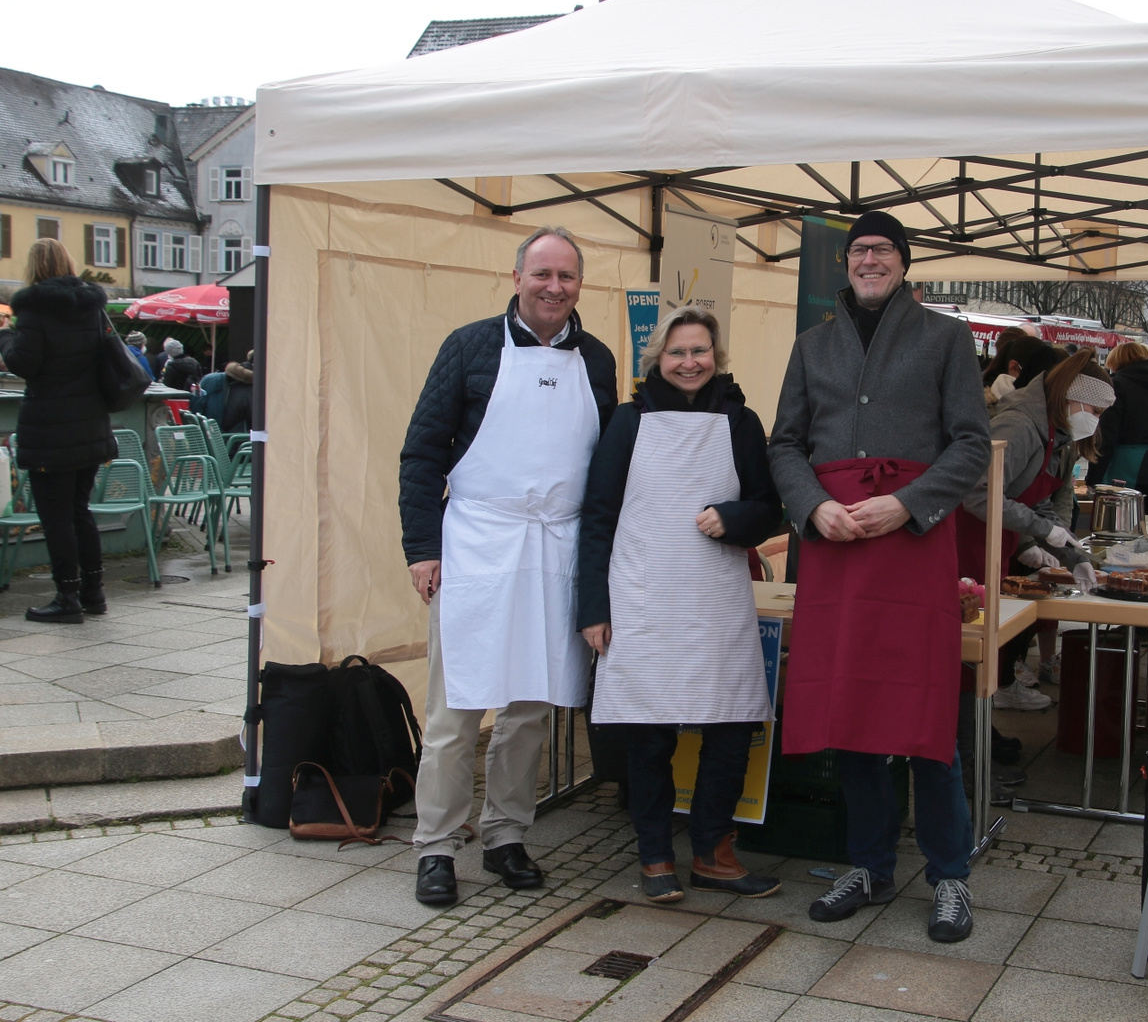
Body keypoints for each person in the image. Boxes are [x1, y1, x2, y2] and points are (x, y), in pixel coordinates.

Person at [767, 210, 989, 944]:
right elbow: (785, 447)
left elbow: (969, 446)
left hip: (913, 543)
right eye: (860, 250)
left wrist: (908, 504)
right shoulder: (811, 346)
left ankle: (949, 873)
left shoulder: (945, 338)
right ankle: (867, 864)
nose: (870, 261)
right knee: (851, 713)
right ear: (846, 263)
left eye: (882, 251)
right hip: (836, 544)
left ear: (902, 262)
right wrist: (812, 507)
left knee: (926, 716)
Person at [399, 226, 618, 908]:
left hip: (556, 548)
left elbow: (609, 466)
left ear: (580, 285)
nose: (554, 287)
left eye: (567, 277)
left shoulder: (600, 359)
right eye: (542, 274)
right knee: (455, 708)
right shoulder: (467, 347)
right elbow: (422, 454)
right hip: (477, 543)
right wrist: (421, 548)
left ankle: (505, 833)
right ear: (517, 276)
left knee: (529, 707)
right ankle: (435, 845)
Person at [578, 307, 783, 904]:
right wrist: (593, 607)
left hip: (716, 598)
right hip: (642, 597)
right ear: (657, 361)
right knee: (648, 734)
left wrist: (735, 517)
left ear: (715, 358)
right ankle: (655, 855)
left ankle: (716, 853)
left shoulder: (741, 422)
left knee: (730, 726)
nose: (689, 362)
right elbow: (597, 518)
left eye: (699, 351)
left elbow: (771, 506)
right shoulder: (627, 422)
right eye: (677, 352)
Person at [956, 350, 1110, 713]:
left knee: (988, 646)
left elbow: (1033, 495)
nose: (1096, 422)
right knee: (969, 646)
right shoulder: (1022, 425)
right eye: (1096, 412)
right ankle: (968, 738)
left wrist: (1073, 556)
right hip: (967, 542)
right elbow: (978, 494)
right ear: (1071, 397)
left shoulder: (1050, 430)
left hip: (996, 540)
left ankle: (979, 730)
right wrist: (1044, 531)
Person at [0, 239, 117, 623]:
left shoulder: (33, 308)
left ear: (34, 267)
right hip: (91, 423)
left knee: (56, 516)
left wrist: (3, 335)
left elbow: (24, 363)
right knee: (80, 510)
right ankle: (93, 592)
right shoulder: (92, 307)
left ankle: (67, 598)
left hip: (50, 429)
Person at [1093, 341, 1148, 514]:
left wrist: (1094, 477)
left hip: (1126, 468)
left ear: (1117, 362)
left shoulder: (1116, 387)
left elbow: (1107, 436)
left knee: (1122, 527)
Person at [217, 356, 254, 432]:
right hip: (238, 439)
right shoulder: (248, 391)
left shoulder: (229, 386)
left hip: (223, 433)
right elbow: (256, 418)